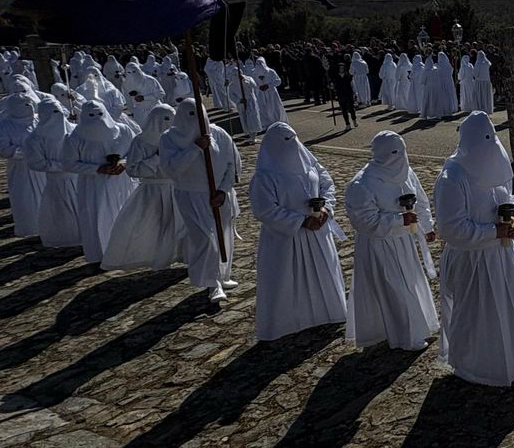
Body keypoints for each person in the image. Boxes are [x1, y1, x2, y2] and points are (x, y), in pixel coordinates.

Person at [432, 111, 514, 386]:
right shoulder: (452, 177)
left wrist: (513, 217)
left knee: (511, 306)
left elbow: (510, 198)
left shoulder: (494, 162)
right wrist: (491, 231)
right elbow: (452, 229)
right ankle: (477, 366)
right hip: (472, 258)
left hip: (502, 252)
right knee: (477, 312)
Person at [249, 124, 348, 343]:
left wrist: (326, 209)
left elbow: (327, 184)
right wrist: (299, 221)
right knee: (286, 277)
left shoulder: (310, 163)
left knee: (322, 271)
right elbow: (264, 210)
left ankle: (327, 312)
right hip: (286, 238)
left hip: (317, 231)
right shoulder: (265, 176)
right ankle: (287, 321)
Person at [345, 131, 439, 351]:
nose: (399, 158)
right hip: (379, 245)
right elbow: (363, 220)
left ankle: (414, 328)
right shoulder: (363, 183)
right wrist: (398, 220)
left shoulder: (406, 173)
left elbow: (421, 200)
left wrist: (427, 226)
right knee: (393, 288)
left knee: (410, 284)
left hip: (403, 242)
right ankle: (405, 337)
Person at [161, 97, 240, 304]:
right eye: (191, 115)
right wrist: (194, 149)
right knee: (205, 239)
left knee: (223, 236)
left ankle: (223, 274)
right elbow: (171, 170)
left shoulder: (219, 134)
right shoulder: (169, 138)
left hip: (219, 194)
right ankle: (211, 283)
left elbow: (233, 164)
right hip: (190, 195)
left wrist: (223, 190)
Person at [102, 103, 182, 271]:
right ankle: (156, 257)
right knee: (154, 226)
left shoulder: (179, 138)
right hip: (152, 190)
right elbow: (133, 169)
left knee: (180, 225)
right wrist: (157, 158)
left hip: (177, 188)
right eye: (165, 119)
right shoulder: (140, 141)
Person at [64, 99, 137, 266]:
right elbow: (68, 163)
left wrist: (124, 163)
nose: (97, 119)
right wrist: (98, 169)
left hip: (121, 183)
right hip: (94, 186)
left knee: (125, 214)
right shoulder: (75, 138)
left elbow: (135, 150)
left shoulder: (124, 131)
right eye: (91, 115)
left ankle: (129, 250)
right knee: (99, 217)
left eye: (100, 114)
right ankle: (104, 252)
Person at [25, 96, 82, 248]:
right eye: (51, 113)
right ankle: (66, 237)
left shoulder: (74, 130)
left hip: (78, 177)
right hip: (56, 180)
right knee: (61, 210)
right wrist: (61, 166)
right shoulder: (35, 139)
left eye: (57, 111)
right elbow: (36, 162)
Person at [0, 90, 44, 238]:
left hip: (44, 166)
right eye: (24, 105)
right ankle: (31, 227)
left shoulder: (40, 120)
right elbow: (3, 149)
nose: (29, 107)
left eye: (30, 104)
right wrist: (28, 152)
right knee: (26, 198)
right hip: (22, 168)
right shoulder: (1, 127)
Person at [430, 50, 460, 118]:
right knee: (449, 95)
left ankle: (443, 109)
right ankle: (450, 107)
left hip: (441, 82)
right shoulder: (449, 66)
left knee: (442, 96)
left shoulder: (437, 65)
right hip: (449, 82)